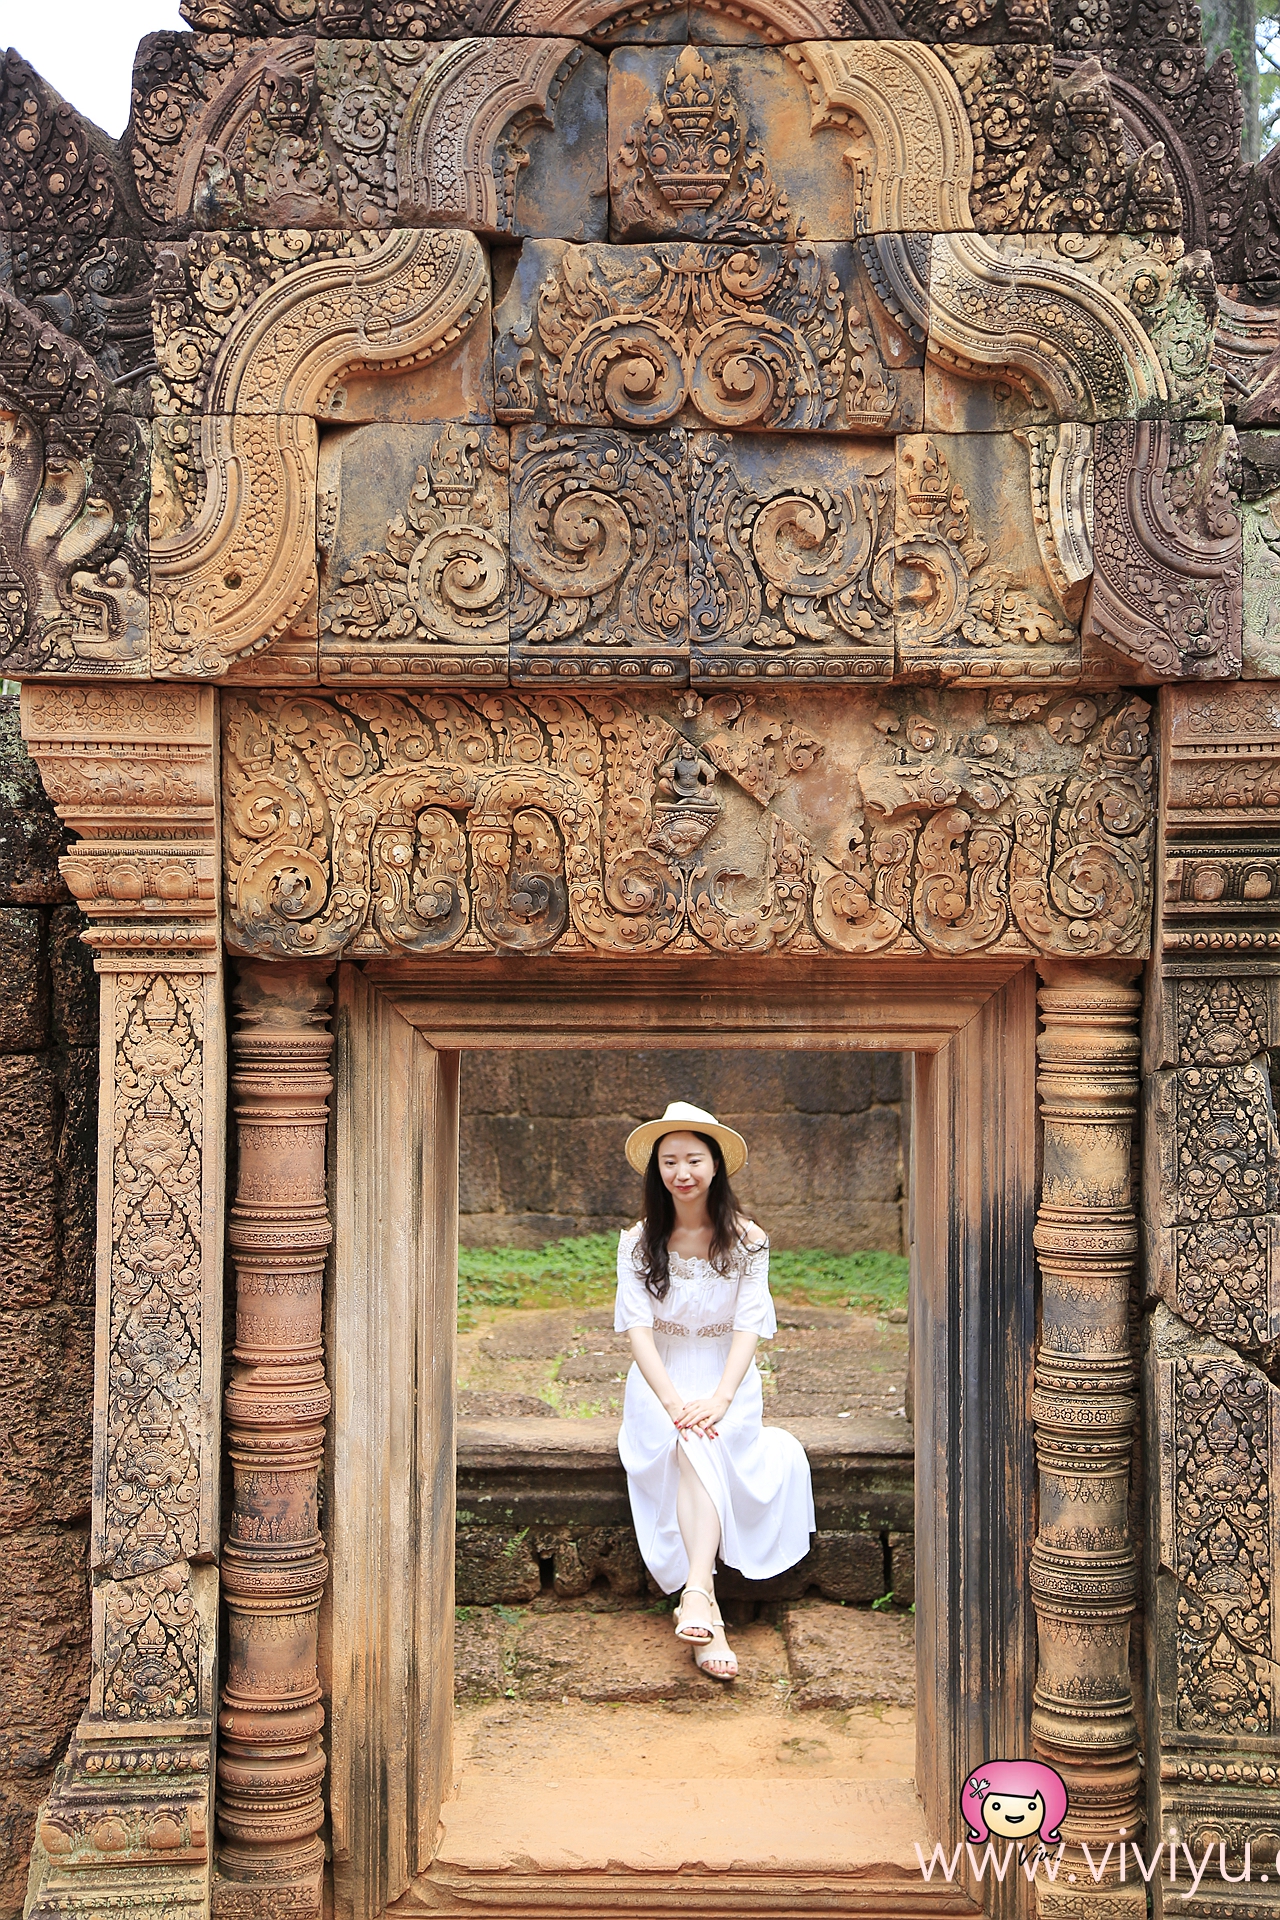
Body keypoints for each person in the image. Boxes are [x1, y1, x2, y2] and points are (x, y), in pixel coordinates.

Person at [614, 1100, 815, 1681]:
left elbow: (749, 1325)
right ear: (657, 1170)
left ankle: (697, 1594)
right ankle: (706, 1606)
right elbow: (639, 1331)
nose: (682, 1172)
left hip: (728, 1379)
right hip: (660, 1381)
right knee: (685, 1440)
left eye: (694, 1160)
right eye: (670, 1161)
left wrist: (722, 1399)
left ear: (715, 1166)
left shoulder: (748, 1240)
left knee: (707, 1438)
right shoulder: (637, 1241)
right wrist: (675, 1403)